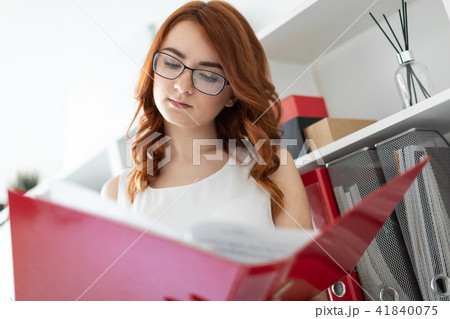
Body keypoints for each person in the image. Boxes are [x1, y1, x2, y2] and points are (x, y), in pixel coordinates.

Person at [101, 0, 325, 300]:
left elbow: (311, 296)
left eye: (208, 75)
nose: (182, 86)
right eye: (171, 63)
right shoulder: (117, 194)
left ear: (233, 94)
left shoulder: (271, 168)